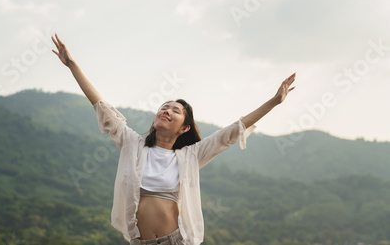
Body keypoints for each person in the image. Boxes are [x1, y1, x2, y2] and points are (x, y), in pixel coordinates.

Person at [51, 32, 296, 245]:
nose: (166, 110)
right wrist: (72, 64)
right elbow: (102, 106)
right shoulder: (133, 145)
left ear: (185, 128)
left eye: (174, 110)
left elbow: (233, 131)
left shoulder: (190, 156)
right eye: (164, 107)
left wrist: (274, 101)